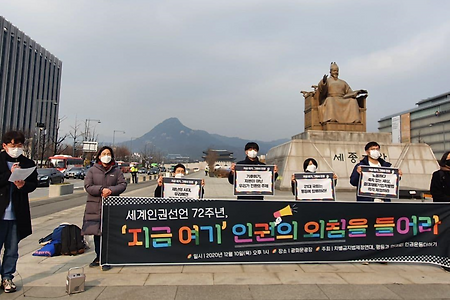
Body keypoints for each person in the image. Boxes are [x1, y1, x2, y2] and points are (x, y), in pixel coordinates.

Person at [0, 131, 38, 293]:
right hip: (1, 212)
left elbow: (33, 184)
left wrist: (23, 185)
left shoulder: (27, 163)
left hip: (16, 214)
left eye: (19, 146)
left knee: (12, 249)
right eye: (13, 145)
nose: (16, 149)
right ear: (5, 146)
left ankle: (7, 277)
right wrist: (9, 174)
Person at [81, 146, 127, 271]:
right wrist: (101, 190)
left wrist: (111, 191)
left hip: (112, 206)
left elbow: (123, 184)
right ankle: (98, 256)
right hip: (95, 205)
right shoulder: (92, 170)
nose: (106, 155)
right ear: (99, 156)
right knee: (97, 232)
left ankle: (107, 257)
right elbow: (88, 186)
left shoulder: (116, 171)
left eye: (108, 153)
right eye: (104, 153)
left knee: (109, 232)